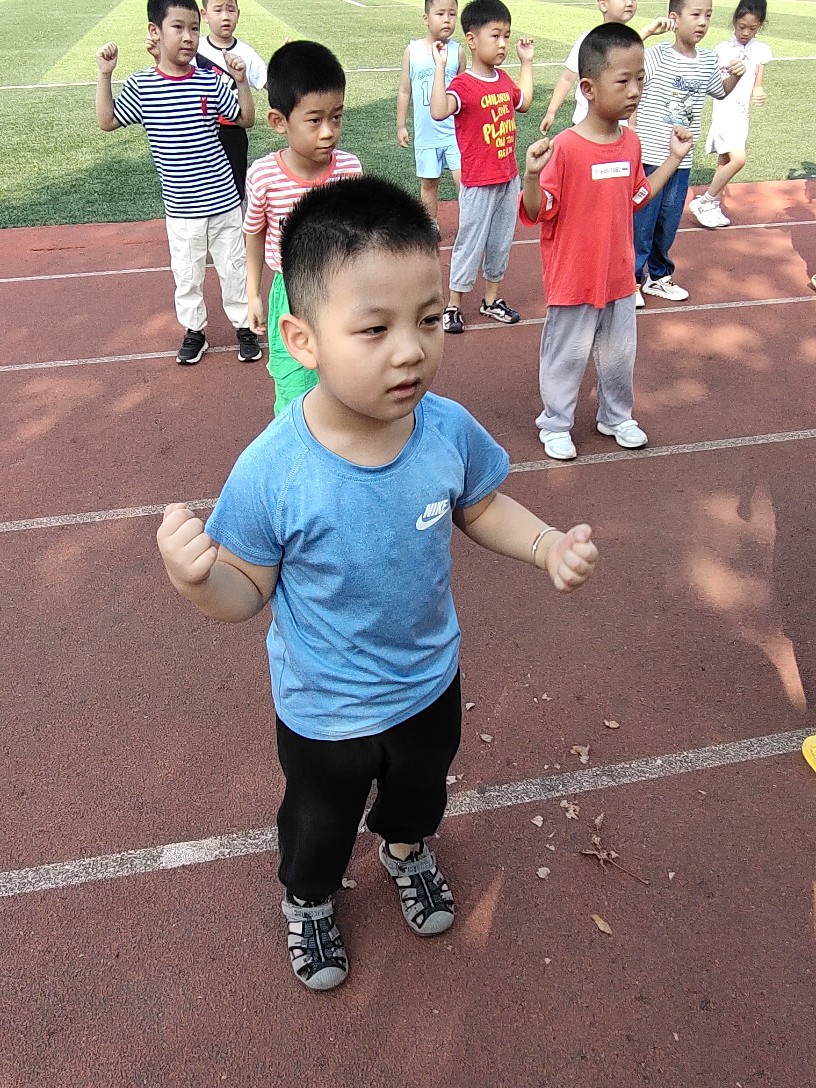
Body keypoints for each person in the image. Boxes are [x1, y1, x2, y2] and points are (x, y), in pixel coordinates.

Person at [156, 176, 599, 991]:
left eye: (428, 320)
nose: (411, 350)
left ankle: (404, 849)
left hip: (429, 679)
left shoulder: (446, 429)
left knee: (420, 794)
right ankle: (309, 897)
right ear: (302, 339)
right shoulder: (273, 470)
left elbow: (480, 505)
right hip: (326, 709)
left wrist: (544, 545)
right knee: (320, 820)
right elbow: (246, 589)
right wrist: (199, 581)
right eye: (375, 328)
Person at [520, 23, 693, 461]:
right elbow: (538, 212)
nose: (635, 90)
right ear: (588, 88)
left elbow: (637, 196)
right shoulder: (565, 148)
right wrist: (532, 177)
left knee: (619, 355)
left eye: (641, 79)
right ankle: (555, 422)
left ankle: (615, 416)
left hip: (618, 276)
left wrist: (673, 159)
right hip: (574, 277)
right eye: (623, 81)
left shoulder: (631, 142)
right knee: (566, 355)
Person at [96, 0, 262, 366]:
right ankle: (194, 331)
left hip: (223, 202)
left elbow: (246, 118)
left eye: (194, 29)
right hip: (182, 209)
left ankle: (244, 327)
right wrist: (105, 74)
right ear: (154, 32)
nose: (188, 37)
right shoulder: (142, 86)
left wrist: (240, 82)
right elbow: (107, 121)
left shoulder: (210, 79)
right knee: (186, 275)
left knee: (233, 269)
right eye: (178, 28)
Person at [244, 42, 362, 417]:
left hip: (341, 291)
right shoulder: (264, 177)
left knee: (346, 378)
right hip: (291, 293)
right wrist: (252, 293)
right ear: (279, 121)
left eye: (337, 117)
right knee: (293, 384)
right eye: (314, 120)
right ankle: (294, 440)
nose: (328, 132)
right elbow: (254, 233)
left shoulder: (350, 170)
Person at [429, 0, 534, 334]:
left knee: (500, 242)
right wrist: (439, 67)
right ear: (472, 40)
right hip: (478, 181)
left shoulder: (503, 79)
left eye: (507, 36)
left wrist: (526, 62)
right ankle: (453, 305)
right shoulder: (463, 84)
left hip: (508, 178)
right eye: (495, 35)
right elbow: (438, 111)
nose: (503, 43)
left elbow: (524, 102)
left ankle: (491, 300)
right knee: (470, 242)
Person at [632, 0, 745, 306]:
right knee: (642, 222)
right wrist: (648, 32)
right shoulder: (656, 55)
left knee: (668, 220)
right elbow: (623, 57)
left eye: (708, 15)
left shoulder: (707, 59)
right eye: (695, 15)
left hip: (682, 159)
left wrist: (736, 75)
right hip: (650, 155)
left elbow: (720, 90)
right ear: (675, 18)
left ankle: (658, 276)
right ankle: (631, 279)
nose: (702, 22)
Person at [689, 0, 770, 227]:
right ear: (734, 22)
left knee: (725, 160)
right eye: (742, 26)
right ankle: (705, 201)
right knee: (739, 159)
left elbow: (757, 84)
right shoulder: (722, 50)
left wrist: (759, 92)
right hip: (725, 111)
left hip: (742, 114)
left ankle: (712, 204)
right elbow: (716, 85)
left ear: (760, 26)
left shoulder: (761, 50)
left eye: (752, 28)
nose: (745, 32)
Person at [538, 0, 673, 136]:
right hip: (585, 126)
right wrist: (551, 112)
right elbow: (567, 78)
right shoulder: (588, 41)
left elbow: (631, 84)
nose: (629, 3)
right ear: (603, 4)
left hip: (619, 130)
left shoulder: (632, 48)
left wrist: (632, 125)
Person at [397, 1, 466, 233]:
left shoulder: (458, 52)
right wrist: (401, 125)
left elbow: (465, 92)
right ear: (426, 18)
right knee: (428, 183)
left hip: (454, 133)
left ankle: (470, 224)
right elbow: (404, 90)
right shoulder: (413, 51)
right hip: (426, 135)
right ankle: (430, 224)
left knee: (463, 180)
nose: (447, 19)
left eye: (452, 14)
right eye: (440, 13)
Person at [195, 0, 268, 203]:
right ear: (204, 14)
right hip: (202, 131)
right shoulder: (195, 48)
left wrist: (286, 63)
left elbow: (268, 82)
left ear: (238, 13)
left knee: (236, 188)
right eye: (218, 10)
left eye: (230, 9)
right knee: (202, 183)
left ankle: (236, 219)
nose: (225, 16)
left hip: (234, 131)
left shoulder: (246, 53)